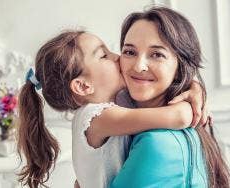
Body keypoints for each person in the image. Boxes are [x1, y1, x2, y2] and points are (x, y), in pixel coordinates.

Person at [17, 30, 206, 188]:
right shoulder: (96, 117)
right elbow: (180, 117)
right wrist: (194, 100)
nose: (118, 57)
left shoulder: (114, 102)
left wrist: (195, 87)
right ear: (83, 86)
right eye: (104, 55)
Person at [110, 7, 230, 188]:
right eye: (129, 52)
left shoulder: (156, 144)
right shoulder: (122, 103)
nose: (138, 66)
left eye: (157, 54)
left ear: (180, 67)